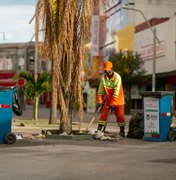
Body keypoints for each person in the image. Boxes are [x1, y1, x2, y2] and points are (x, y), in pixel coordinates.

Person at [95, 60, 125, 139]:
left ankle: (122, 131)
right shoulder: (103, 78)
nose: (106, 71)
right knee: (104, 114)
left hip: (118, 100)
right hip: (108, 100)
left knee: (120, 116)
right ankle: (99, 129)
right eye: (105, 70)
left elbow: (116, 91)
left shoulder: (117, 77)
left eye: (107, 70)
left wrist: (113, 103)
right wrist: (100, 101)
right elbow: (100, 91)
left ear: (111, 69)